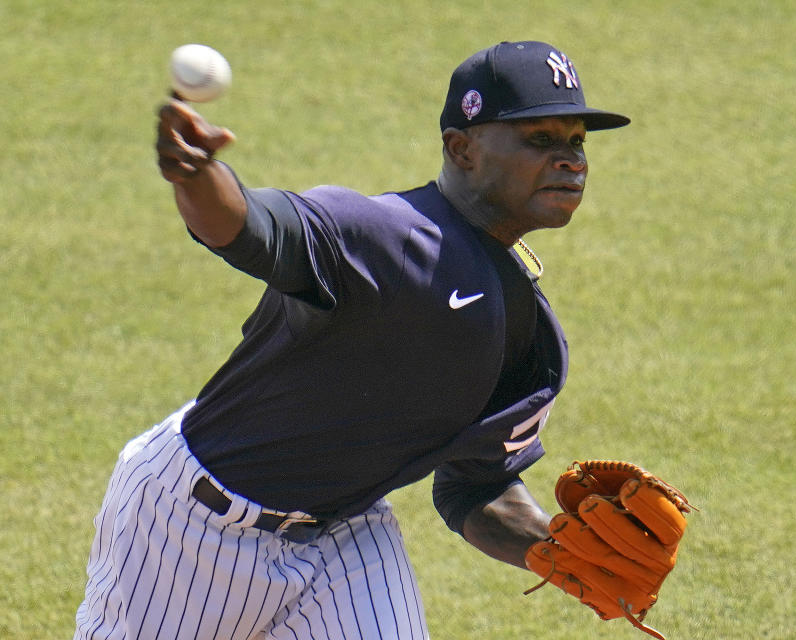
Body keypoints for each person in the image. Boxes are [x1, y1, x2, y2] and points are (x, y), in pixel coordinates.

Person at [74, 40, 629, 640]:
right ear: (461, 148)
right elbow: (250, 229)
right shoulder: (382, 236)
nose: (571, 159)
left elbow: (477, 483)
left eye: (577, 141)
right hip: (189, 525)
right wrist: (197, 172)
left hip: (344, 535)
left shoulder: (525, 326)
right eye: (540, 140)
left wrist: (553, 548)